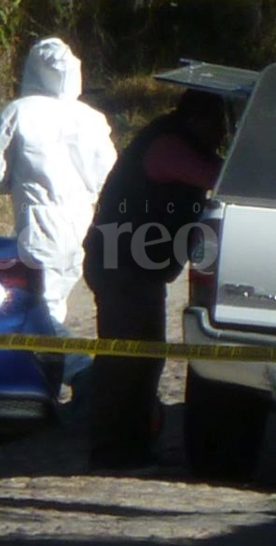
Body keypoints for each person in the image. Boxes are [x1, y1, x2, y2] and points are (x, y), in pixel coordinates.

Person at [82, 89, 228, 471]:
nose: (221, 135)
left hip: (137, 266)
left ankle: (132, 442)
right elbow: (217, 176)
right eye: (219, 126)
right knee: (126, 362)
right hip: (122, 265)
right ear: (199, 121)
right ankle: (113, 449)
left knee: (144, 358)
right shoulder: (169, 145)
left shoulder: (176, 139)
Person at [0, 37, 117, 405]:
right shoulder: (92, 118)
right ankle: (50, 388)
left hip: (39, 224)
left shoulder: (19, 111)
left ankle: (77, 369)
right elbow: (107, 175)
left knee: (38, 306)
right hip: (83, 225)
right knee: (56, 302)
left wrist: (16, 182)